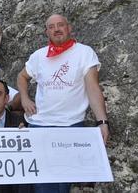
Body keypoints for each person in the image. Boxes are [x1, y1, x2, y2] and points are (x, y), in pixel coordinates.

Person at [17, 14, 108, 193]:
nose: (56, 29)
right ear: (46, 32)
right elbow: (21, 76)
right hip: (39, 125)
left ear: (69, 28)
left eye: (60, 25)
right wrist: (25, 98)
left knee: (63, 183)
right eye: (51, 27)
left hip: (70, 126)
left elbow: (92, 88)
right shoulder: (38, 55)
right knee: (43, 183)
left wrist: (102, 122)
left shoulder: (84, 52)